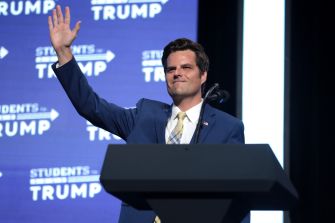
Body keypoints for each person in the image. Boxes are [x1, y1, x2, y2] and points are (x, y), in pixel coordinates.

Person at [48, 5, 249, 223]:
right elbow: (91, 106)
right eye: (170, 70)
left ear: (203, 76)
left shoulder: (228, 128)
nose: (177, 73)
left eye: (186, 67)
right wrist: (64, 53)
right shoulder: (143, 116)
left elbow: (237, 198)